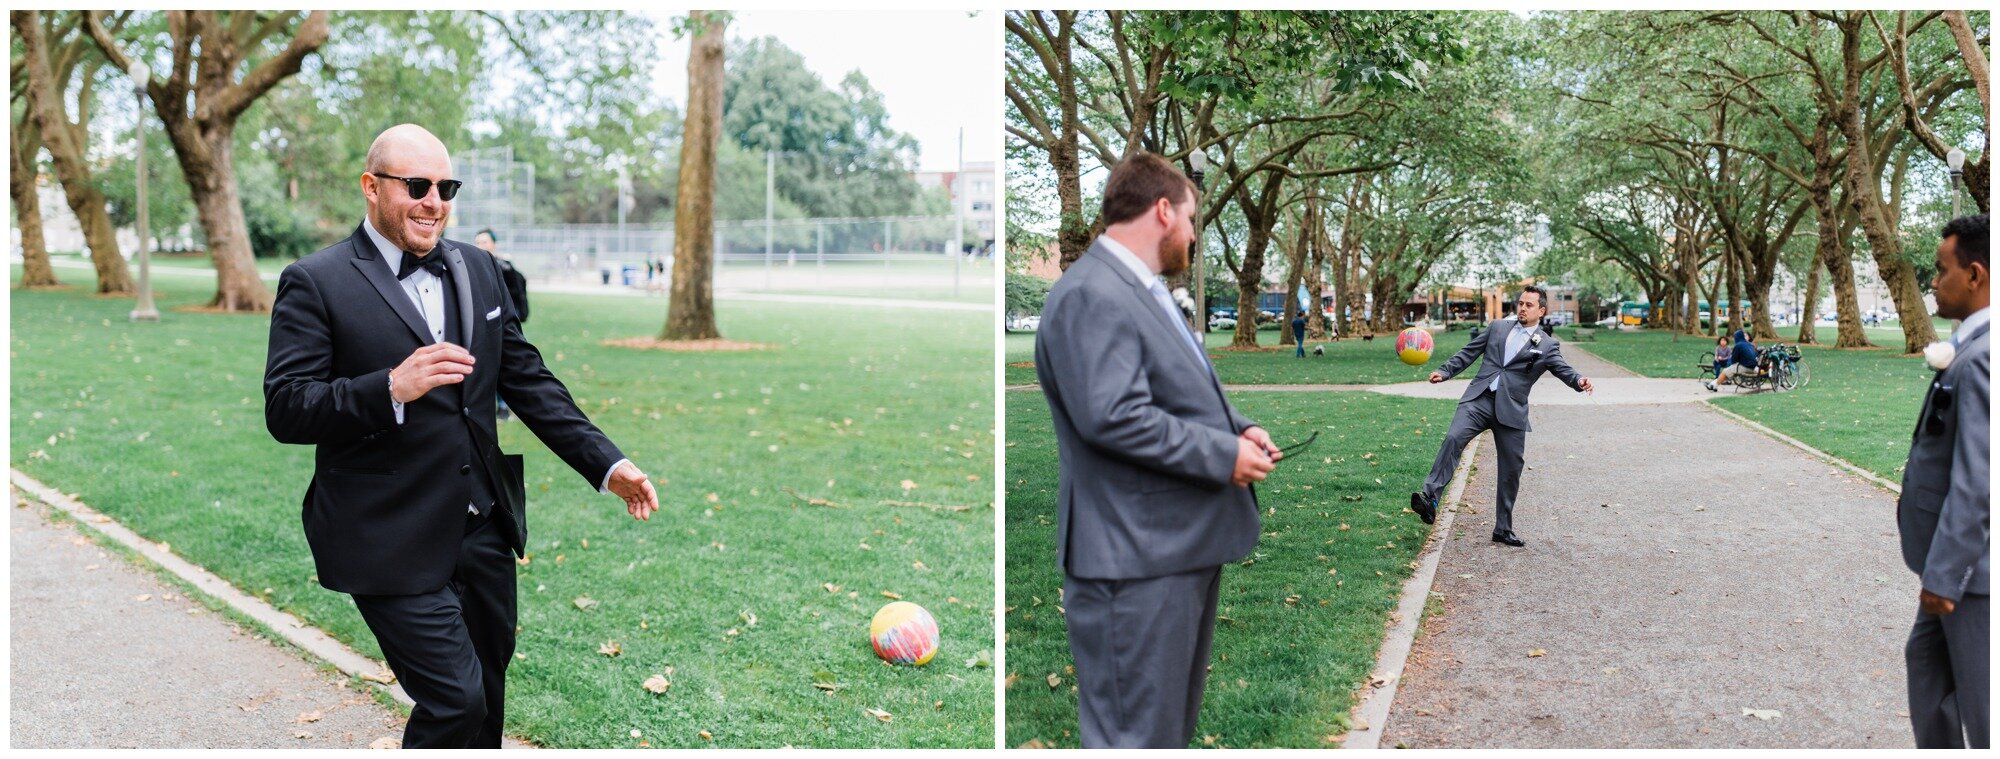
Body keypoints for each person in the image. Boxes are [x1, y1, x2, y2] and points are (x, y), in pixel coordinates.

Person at [263, 124, 660, 749]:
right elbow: (287, 408)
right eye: (417, 185)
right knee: (455, 701)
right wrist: (389, 387)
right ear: (370, 187)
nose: (434, 201)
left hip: (481, 531)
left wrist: (608, 465)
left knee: (488, 700)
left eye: (446, 187)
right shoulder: (317, 281)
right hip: (386, 533)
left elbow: (529, 381)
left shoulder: (480, 269)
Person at [1034, 152, 1280, 748]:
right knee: (1133, 738)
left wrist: (1237, 429)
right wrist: (1221, 457)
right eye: (1192, 219)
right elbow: (1113, 415)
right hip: (1132, 558)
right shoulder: (1093, 293)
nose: (1194, 235)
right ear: (1163, 210)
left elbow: (1168, 389)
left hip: (1168, 549)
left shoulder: (1140, 290)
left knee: (1163, 736)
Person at [1409, 286, 1593, 547]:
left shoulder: (1548, 345)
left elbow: (1564, 370)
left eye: (1529, 305)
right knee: (1453, 438)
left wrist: (1579, 380)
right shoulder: (1497, 327)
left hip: (1512, 410)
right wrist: (1445, 371)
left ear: (1541, 310)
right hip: (1479, 400)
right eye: (1520, 303)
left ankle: (1503, 529)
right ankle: (1429, 498)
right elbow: (1468, 352)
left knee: (1511, 469)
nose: (1522, 308)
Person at [1899, 213, 1988, 749]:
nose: (1932, 281)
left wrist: (1947, 575)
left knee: (1984, 709)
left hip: (1972, 576)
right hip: (1949, 569)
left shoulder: (1981, 358)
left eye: (1940, 270)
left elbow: (1979, 478)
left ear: (1974, 275)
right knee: (1926, 670)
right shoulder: (1972, 347)